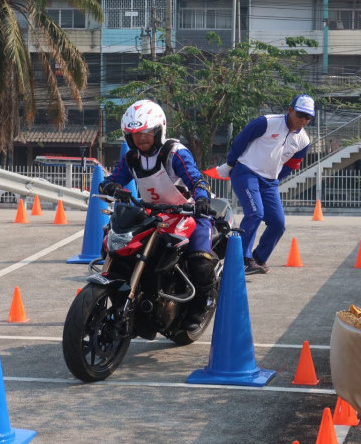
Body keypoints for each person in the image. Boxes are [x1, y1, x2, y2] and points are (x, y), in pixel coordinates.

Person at [99, 100, 214, 333]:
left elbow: (197, 180)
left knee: (201, 261)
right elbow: (111, 181)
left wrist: (201, 199)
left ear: (159, 130)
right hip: (153, 213)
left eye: (146, 132)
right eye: (134, 134)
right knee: (114, 245)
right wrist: (111, 188)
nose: (141, 138)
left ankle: (201, 305)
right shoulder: (131, 158)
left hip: (187, 211)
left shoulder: (175, 153)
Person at [215, 94, 313, 275]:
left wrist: (274, 177)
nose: (303, 120)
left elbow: (292, 164)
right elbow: (241, 140)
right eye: (300, 114)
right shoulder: (267, 122)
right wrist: (230, 163)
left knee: (278, 223)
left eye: (308, 117)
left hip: (269, 182)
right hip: (246, 171)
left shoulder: (303, 141)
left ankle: (257, 259)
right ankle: (242, 259)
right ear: (290, 110)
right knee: (255, 213)